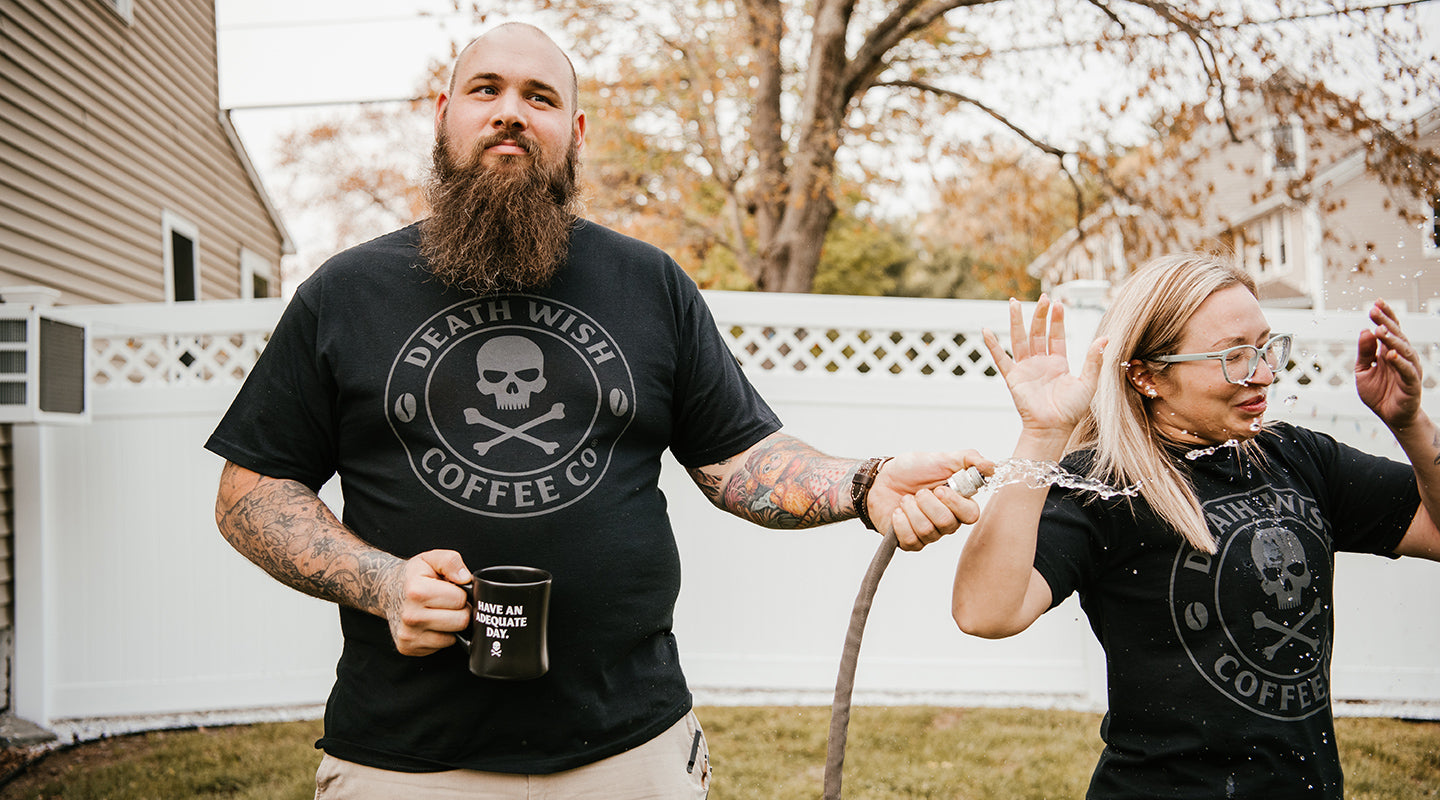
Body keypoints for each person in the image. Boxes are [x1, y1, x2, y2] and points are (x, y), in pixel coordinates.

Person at [206, 22, 984, 798]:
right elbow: (251, 495)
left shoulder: (649, 284)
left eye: (539, 96)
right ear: (443, 114)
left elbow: (741, 460)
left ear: (573, 132)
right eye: (487, 90)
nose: (511, 111)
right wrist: (381, 582)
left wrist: (865, 483)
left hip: (631, 753)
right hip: (404, 762)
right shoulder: (343, 295)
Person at [951, 253, 1440, 799]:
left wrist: (1410, 423)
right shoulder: (1104, 486)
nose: (1263, 374)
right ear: (1146, 375)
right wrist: (1041, 436)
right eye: (1233, 356)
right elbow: (985, 612)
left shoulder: (1297, 456)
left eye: (1264, 347)